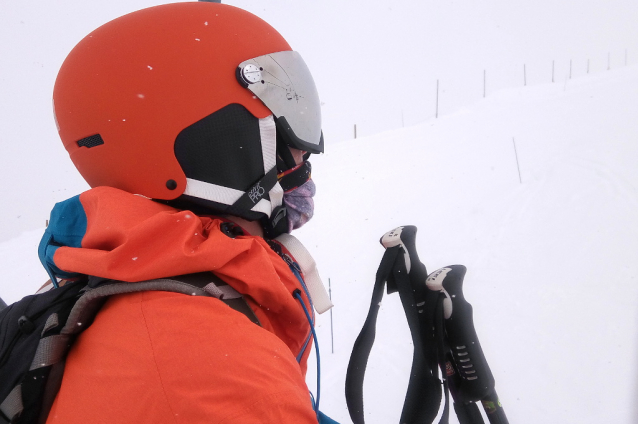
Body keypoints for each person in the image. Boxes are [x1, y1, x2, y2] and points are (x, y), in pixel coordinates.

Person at [38, 2, 335, 423]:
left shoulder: (132, 284)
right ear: (214, 138)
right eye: (284, 121)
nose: (305, 152)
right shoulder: (209, 368)